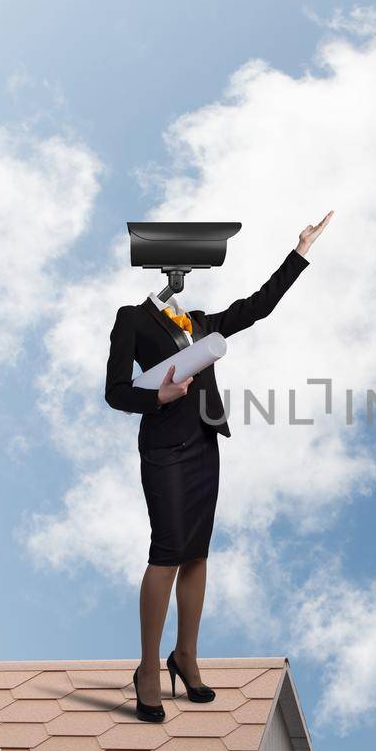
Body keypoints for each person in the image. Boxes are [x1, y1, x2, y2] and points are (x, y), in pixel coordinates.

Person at [104, 211, 333, 722]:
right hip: (163, 450)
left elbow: (258, 308)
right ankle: (146, 669)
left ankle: (185, 655)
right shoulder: (131, 319)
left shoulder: (202, 322)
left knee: (197, 554)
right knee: (165, 554)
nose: (179, 284)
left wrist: (299, 252)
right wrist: (159, 396)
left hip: (205, 445)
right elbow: (115, 392)